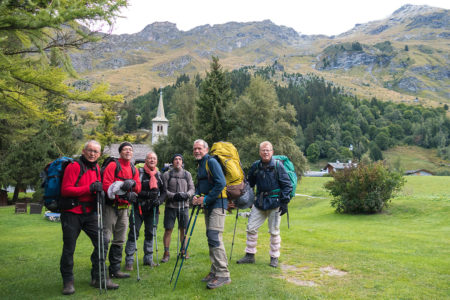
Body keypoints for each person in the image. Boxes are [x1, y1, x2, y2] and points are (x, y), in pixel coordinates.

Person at [59, 140, 118, 295]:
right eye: (90, 150)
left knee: (103, 242)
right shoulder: (74, 167)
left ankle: (99, 277)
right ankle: (68, 282)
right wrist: (89, 188)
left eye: (96, 152)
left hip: (90, 213)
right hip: (72, 212)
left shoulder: (97, 168)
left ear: (99, 154)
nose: (92, 154)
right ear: (84, 151)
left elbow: (97, 189)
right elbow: (65, 190)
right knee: (69, 248)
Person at [236, 141, 292, 268]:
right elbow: (250, 183)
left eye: (268, 150)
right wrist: (241, 195)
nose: (266, 152)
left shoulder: (278, 166)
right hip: (259, 203)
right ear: (259, 152)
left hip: (275, 203)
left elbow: (287, 185)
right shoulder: (256, 166)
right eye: (263, 150)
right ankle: (250, 256)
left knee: (274, 231)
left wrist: (284, 202)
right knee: (251, 228)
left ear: (272, 152)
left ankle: (274, 257)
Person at [192, 139, 231, 289]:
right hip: (209, 204)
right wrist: (196, 195)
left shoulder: (211, 162)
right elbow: (201, 184)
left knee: (214, 236)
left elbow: (221, 183)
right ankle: (215, 270)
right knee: (211, 236)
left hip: (219, 203)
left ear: (206, 149)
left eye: (199, 148)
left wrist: (206, 198)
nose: (197, 151)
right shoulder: (200, 164)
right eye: (195, 149)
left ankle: (223, 274)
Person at [102, 141, 141, 279]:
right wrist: (124, 191)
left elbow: (138, 188)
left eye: (130, 149)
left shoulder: (133, 168)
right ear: (120, 152)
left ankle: (115, 269)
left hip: (125, 208)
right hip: (111, 207)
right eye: (125, 149)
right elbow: (106, 185)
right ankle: (101, 272)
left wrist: (134, 185)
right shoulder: (113, 165)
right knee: (105, 238)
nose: (128, 151)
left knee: (119, 239)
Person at [124, 151, 166, 269]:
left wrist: (160, 200)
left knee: (150, 233)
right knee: (133, 233)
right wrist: (148, 194)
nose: (152, 160)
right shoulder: (139, 173)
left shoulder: (159, 175)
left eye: (154, 158)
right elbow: (135, 190)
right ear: (145, 161)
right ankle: (129, 261)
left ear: (156, 161)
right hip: (138, 208)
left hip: (153, 209)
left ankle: (148, 259)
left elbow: (164, 191)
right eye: (149, 158)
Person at [161, 154, 195, 263]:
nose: (177, 161)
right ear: (172, 162)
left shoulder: (187, 174)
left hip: (184, 206)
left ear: (182, 162)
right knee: (168, 229)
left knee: (183, 229)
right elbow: (164, 190)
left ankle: (184, 251)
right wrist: (173, 196)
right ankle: (166, 253)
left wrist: (187, 195)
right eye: (175, 159)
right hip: (171, 206)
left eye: (180, 159)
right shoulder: (167, 175)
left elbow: (192, 188)